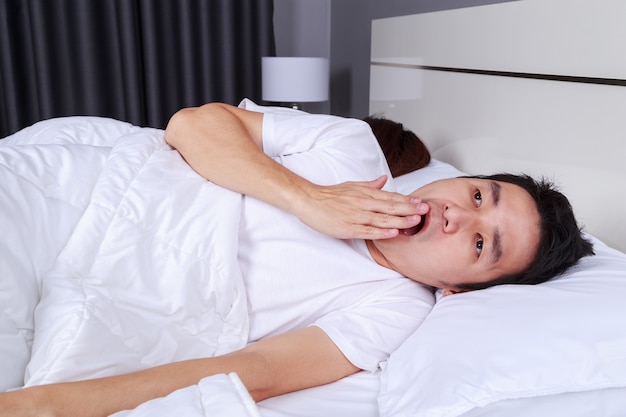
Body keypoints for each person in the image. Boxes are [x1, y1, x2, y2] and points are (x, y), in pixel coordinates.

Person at [0, 101, 593, 417]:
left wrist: (36, 409)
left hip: (139, 287)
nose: (457, 216)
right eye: (478, 194)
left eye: (483, 244)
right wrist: (307, 199)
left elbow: (251, 374)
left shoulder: (391, 311)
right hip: (85, 196)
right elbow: (193, 124)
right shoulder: (350, 149)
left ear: (459, 290)